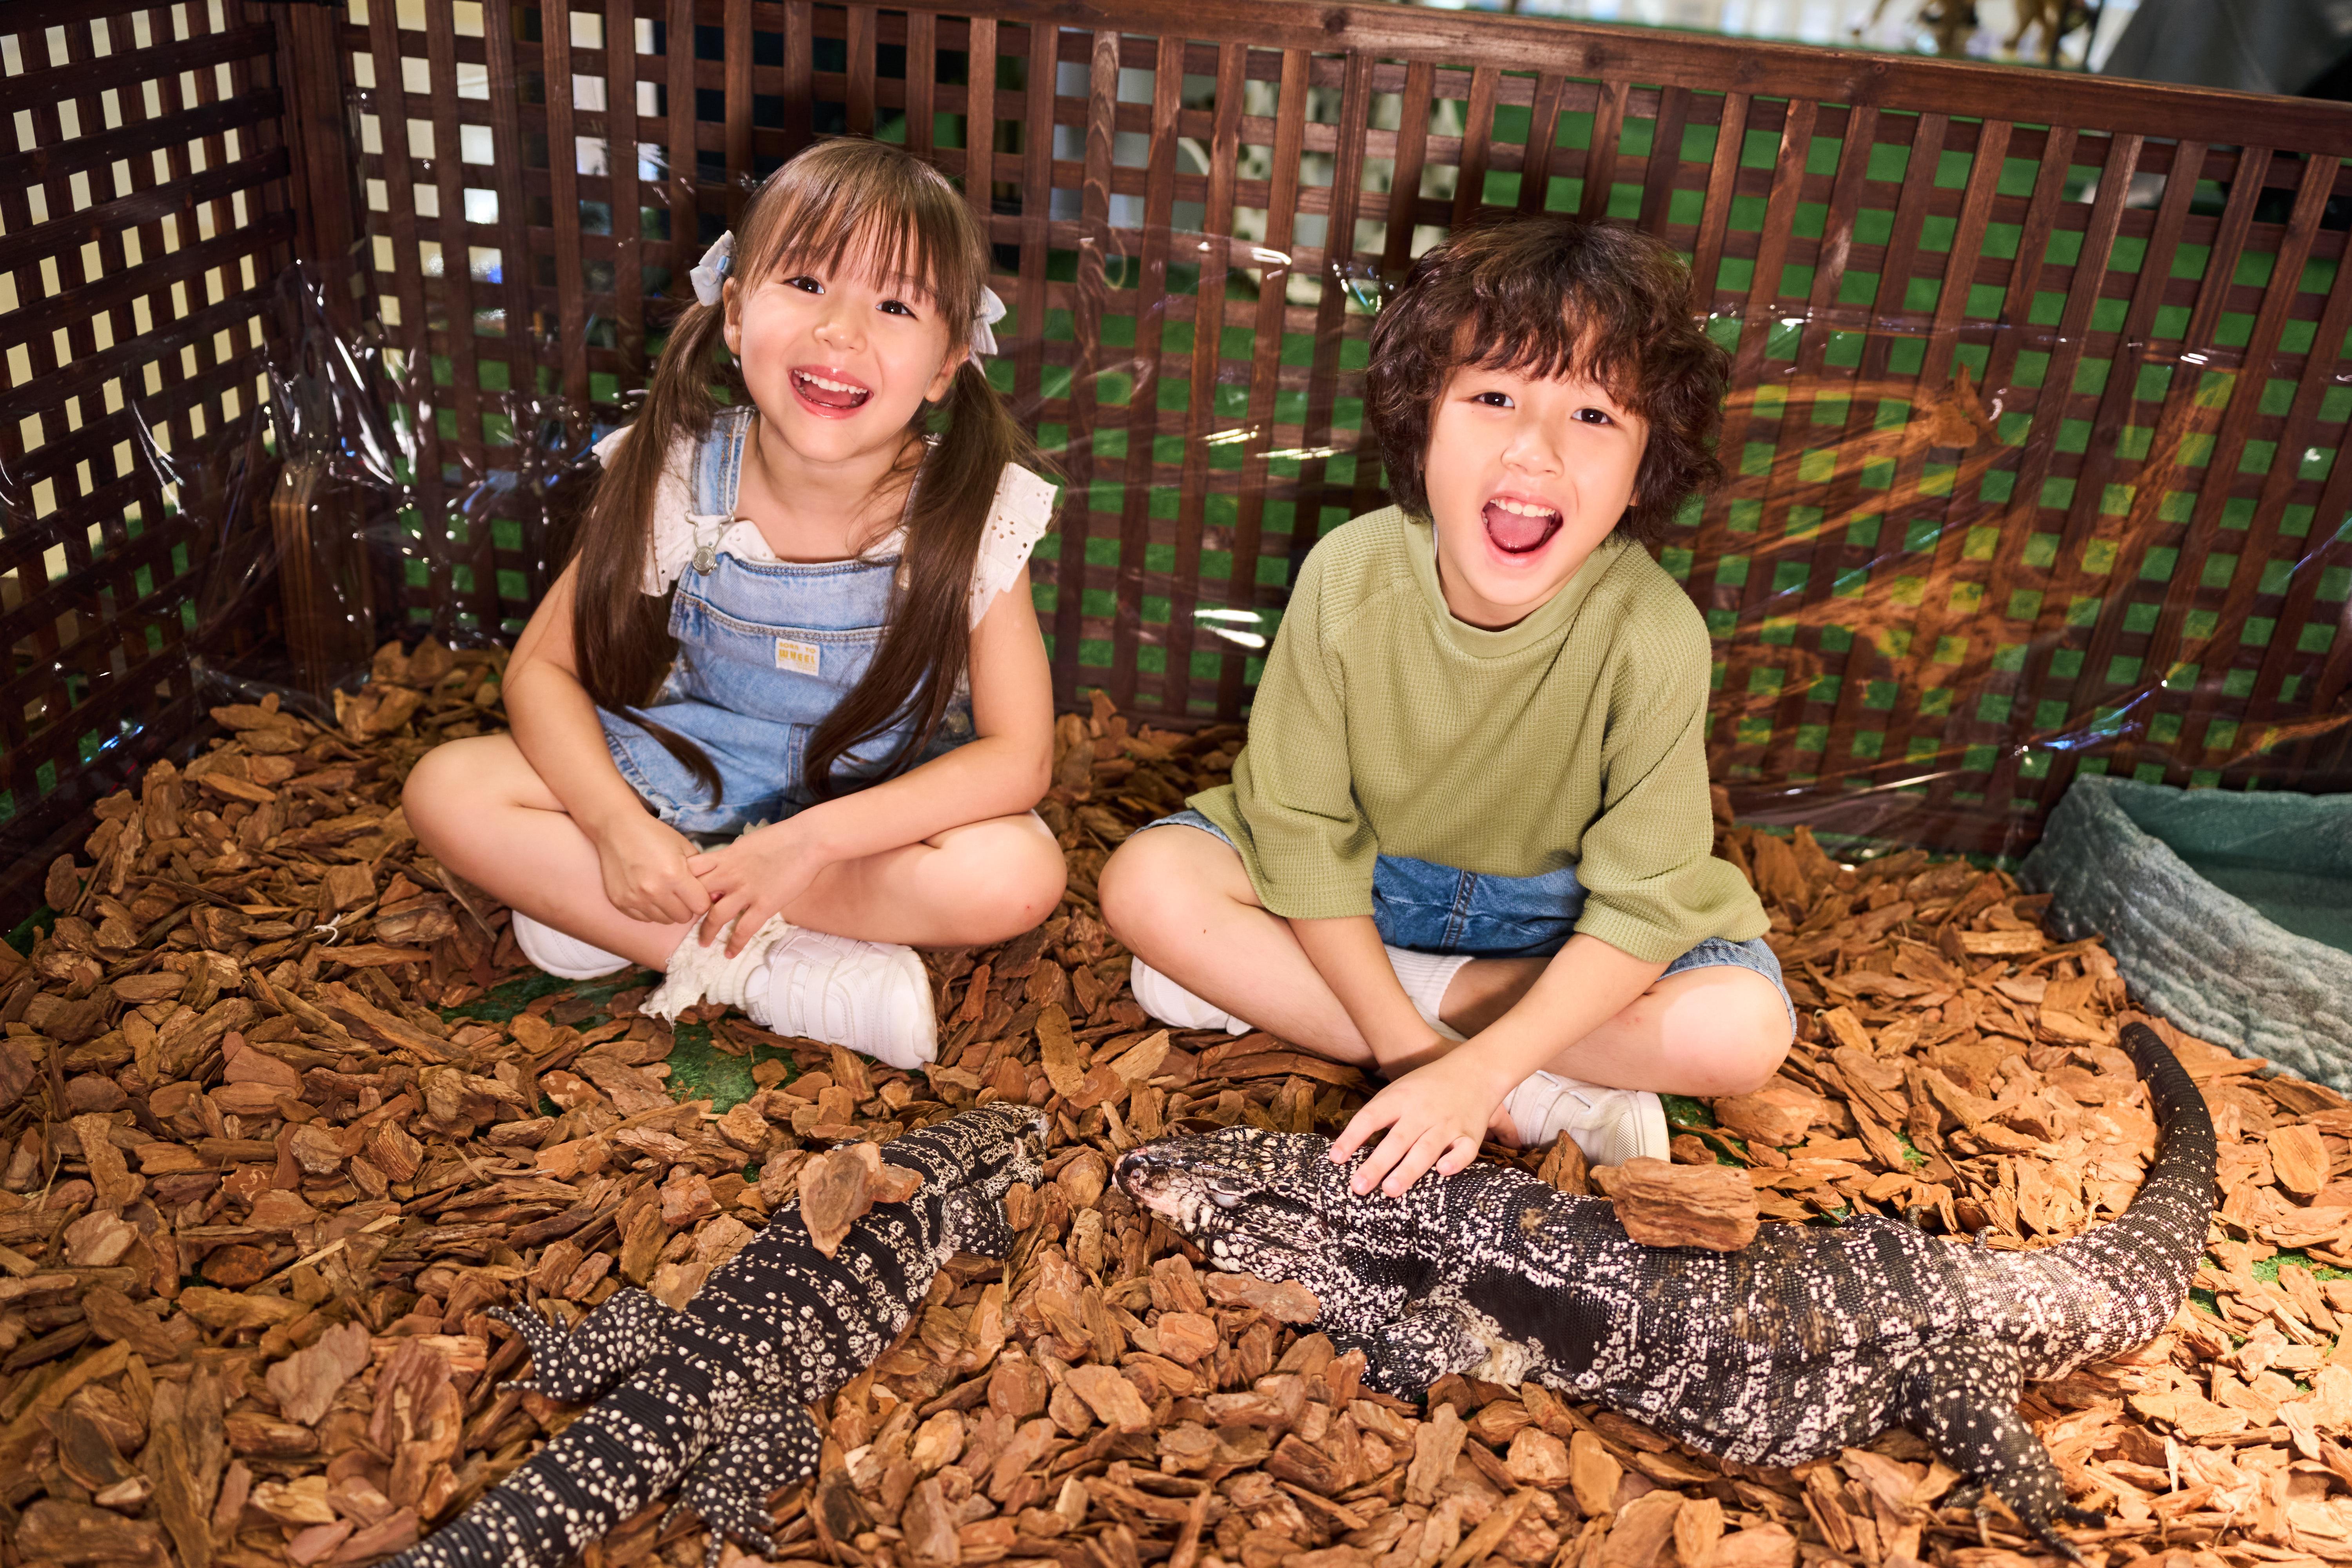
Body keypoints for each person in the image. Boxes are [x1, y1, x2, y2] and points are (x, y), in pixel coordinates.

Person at [1096, 216, 1794, 1197]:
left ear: (1647, 468)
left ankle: (1289, 995)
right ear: (1423, 416)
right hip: (1368, 885)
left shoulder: (1656, 633)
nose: (1535, 450)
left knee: (1742, 1031)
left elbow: (1642, 902)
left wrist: (1477, 1069)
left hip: (1555, 922)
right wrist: (1420, 1058)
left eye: (1594, 415)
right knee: (1147, 880)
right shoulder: (1350, 574)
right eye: (1495, 395)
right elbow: (1299, 828)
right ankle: (1537, 1083)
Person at [405, 139, 1066, 1070]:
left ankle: (616, 916)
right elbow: (541, 669)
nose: (841, 331)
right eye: (804, 282)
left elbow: (1019, 756)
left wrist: (803, 846)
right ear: (733, 310)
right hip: (691, 774)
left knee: (1017, 873)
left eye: (893, 304)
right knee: (449, 787)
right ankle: (776, 974)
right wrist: (616, 829)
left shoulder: (970, 504)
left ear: (948, 361)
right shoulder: (679, 466)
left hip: (866, 809)